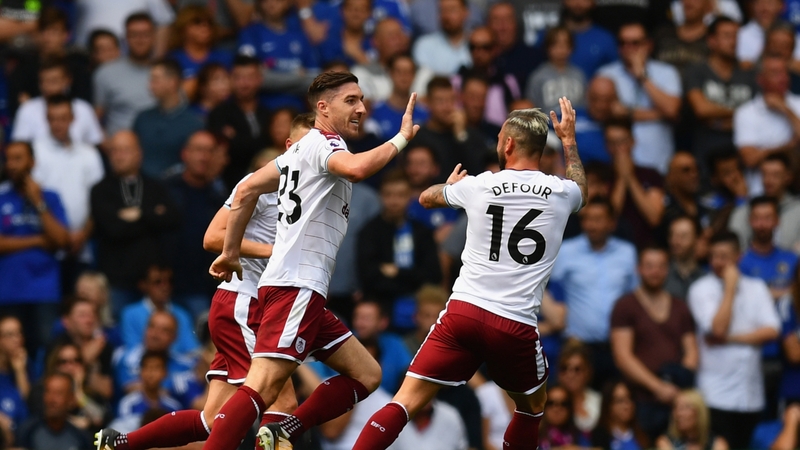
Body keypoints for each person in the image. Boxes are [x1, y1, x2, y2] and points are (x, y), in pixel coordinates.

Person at [352, 98, 586, 450]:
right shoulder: (563, 193)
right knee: (532, 408)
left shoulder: (480, 185)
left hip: (464, 312)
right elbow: (583, 188)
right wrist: (568, 141)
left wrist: (448, 186)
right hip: (514, 324)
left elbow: (427, 199)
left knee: (406, 400)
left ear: (508, 144)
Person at [204, 71, 420, 450]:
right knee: (263, 387)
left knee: (367, 374)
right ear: (324, 107)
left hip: (302, 288)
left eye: (362, 100)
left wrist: (233, 248)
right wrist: (401, 139)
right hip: (296, 285)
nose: (361, 108)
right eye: (351, 100)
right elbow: (356, 168)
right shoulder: (323, 143)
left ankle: (285, 429)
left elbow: (248, 187)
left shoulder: (296, 152)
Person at [95, 116, 315, 450]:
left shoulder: (309, 196)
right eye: (302, 145)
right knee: (282, 406)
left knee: (212, 419)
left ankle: (123, 442)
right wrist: (275, 252)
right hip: (244, 304)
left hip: (249, 306)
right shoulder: (259, 187)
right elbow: (213, 237)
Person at [687, 231, 782, 448]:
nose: (717, 262)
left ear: (738, 256)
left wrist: (731, 338)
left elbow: (772, 331)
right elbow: (718, 329)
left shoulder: (756, 288)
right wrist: (730, 288)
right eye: (713, 256)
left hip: (750, 395)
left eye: (723, 256)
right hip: (715, 394)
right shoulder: (701, 289)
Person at [610, 246, 699, 439]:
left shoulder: (680, 307)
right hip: (640, 399)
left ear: (667, 270)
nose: (655, 272)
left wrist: (676, 385)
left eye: (660, 266)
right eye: (649, 266)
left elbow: (692, 353)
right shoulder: (625, 306)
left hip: (676, 399)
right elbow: (622, 357)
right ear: (638, 269)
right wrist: (658, 387)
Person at [550, 196, 638, 386]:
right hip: (577, 348)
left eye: (598, 219)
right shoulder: (566, 251)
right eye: (587, 219)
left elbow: (635, 298)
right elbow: (553, 294)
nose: (591, 225)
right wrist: (557, 324)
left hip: (618, 347)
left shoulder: (627, 253)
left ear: (612, 223)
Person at [91, 131, 181, 315]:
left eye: (125, 150)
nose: (118, 156)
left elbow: (172, 219)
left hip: (152, 278)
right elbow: (113, 228)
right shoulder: (100, 190)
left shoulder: (155, 186)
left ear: (138, 153)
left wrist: (137, 214)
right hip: (117, 278)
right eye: (114, 151)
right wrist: (151, 215)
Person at [0, 141, 69, 353]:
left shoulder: (50, 198)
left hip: (44, 290)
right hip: (9, 290)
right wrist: (38, 240)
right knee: (9, 353)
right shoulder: (1, 199)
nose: (11, 165)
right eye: (8, 159)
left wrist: (38, 202)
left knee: (48, 349)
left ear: (32, 162)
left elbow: (61, 240)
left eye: (18, 158)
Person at [597, 22, 682, 174]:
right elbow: (606, 113)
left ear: (648, 45)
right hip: (618, 162)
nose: (628, 48)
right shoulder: (606, 74)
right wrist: (659, 114)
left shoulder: (667, 72)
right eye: (623, 43)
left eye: (635, 43)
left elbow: (672, 110)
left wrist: (642, 77)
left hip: (659, 161)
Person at [356, 170, 442, 315]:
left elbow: (433, 275)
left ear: (410, 196)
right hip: (381, 310)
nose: (394, 201)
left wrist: (397, 272)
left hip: (417, 309)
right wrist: (409, 278)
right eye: (388, 195)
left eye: (400, 195)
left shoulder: (422, 232)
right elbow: (368, 275)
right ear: (380, 196)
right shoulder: (369, 232)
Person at [684, 17, 756, 163]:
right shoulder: (697, 71)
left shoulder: (749, 74)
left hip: (742, 152)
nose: (734, 41)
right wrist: (741, 113)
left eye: (736, 36)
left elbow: (757, 113)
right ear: (712, 41)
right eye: (727, 36)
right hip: (706, 152)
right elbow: (701, 109)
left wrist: (717, 119)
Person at [733, 56, 800, 195]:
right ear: (760, 79)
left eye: (785, 72)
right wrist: (788, 147)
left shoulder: (798, 104)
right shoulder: (746, 113)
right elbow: (749, 159)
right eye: (775, 73)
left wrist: (786, 111)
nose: (783, 78)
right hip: (760, 193)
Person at [206, 55, 271, 190]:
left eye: (250, 77)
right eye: (238, 77)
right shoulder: (219, 113)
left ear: (260, 79)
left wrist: (236, 138)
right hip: (230, 185)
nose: (244, 83)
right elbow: (224, 150)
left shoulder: (268, 114)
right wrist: (258, 143)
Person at [133, 58, 204, 178]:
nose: (150, 85)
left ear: (172, 82)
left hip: (178, 190)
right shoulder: (142, 118)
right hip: (143, 188)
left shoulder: (194, 124)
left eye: (155, 80)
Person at [93, 12, 158, 137]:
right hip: (119, 150)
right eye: (134, 35)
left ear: (154, 37)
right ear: (125, 38)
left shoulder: (167, 72)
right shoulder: (105, 73)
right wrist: (108, 145)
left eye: (145, 34)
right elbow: (94, 120)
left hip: (157, 149)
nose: (140, 40)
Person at [11, 58, 103, 146]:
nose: (49, 87)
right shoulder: (27, 110)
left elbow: (94, 143)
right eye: (44, 81)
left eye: (54, 81)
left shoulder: (84, 109)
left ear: (67, 80)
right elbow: (20, 146)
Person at [606, 118, 666, 248]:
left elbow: (654, 218)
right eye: (613, 143)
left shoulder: (651, 175)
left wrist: (631, 178)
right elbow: (609, 218)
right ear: (607, 146)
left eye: (622, 142)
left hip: (647, 246)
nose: (619, 149)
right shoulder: (602, 176)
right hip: (613, 247)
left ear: (633, 142)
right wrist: (622, 179)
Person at [121, 264, 200, 355]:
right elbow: (133, 351)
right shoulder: (130, 314)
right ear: (143, 285)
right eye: (157, 282)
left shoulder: (182, 314)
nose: (165, 287)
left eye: (169, 281)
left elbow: (192, 350)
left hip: (178, 367)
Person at [729, 153, 800, 253]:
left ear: (788, 177)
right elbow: (734, 247)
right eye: (764, 174)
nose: (768, 180)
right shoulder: (744, 210)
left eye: (775, 175)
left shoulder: (798, 210)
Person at [167, 6, 233, 98]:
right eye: (197, 22)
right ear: (182, 28)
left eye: (209, 23)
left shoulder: (225, 57)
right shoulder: (173, 59)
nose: (205, 26)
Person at [16, 373, 92, 450]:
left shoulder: (82, 438)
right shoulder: (27, 432)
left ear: (71, 400)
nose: (52, 400)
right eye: (48, 392)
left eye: (59, 393)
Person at [526, 26, 586, 114]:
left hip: (577, 124)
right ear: (548, 47)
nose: (561, 49)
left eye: (565, 44)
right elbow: (531, 107)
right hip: (548, 125)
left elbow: (585, 104)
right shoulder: (538, 76)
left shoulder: (579, 75)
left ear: (571, 47)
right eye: (556, 44)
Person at [115, 351, 182, 424]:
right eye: (146, 367)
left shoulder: (174, 407)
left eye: (156, 368)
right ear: (140, 372)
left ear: (165, 373)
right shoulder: (128, 404)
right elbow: (124, 430)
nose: (151, 373)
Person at [412, 0, 471, 75]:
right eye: (442, 10)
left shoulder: (477, 45)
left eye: (452, 10)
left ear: (466, 13)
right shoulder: (424, 45)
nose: (446, 16)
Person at [656, 389, 729, 450]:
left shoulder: (717, 443)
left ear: (699, 412)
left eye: (685, 408)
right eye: (676, 408)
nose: (678, 414)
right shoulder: (665, 441)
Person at [591, 380, 651, 449]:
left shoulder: (643, 432)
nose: (627, 405)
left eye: (629, 399)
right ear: (608, 405)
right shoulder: (600, 436)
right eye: (620, 401)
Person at [665, 216, 707, 300]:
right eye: (672, 235)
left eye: (683, 236)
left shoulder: (706, 278)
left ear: (697, 240)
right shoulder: (661, 275)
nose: (676, 241)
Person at [538, 385, 590, 450]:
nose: (556, 409)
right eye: (550, 403)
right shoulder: (534, 436)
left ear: (570, 408)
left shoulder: (580, 437)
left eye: (563, 404)